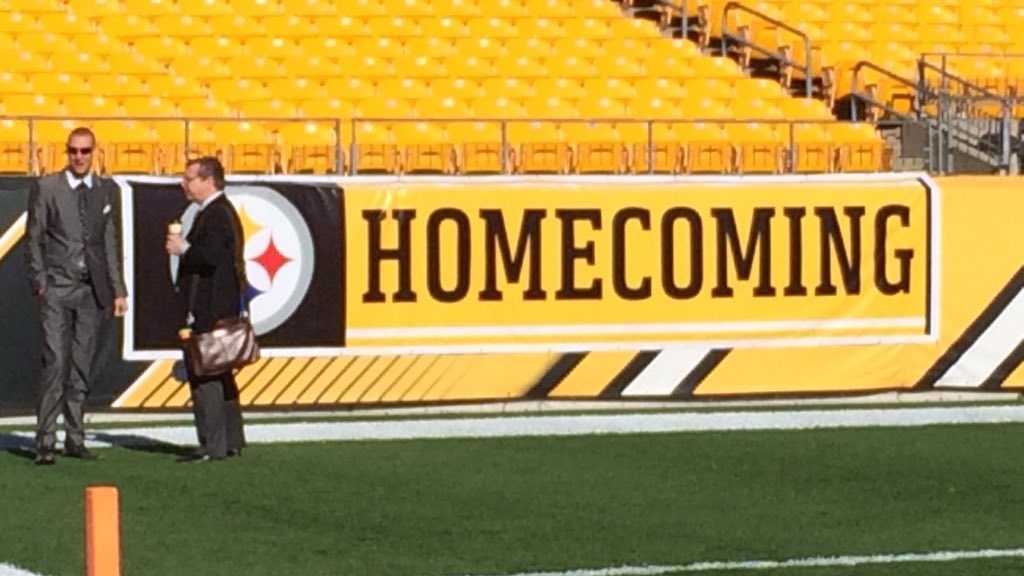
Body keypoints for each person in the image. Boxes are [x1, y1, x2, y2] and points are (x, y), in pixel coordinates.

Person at [25, 127, 128, 465]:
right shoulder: (48, 187)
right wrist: (40, 280)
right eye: (73, 151)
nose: (79, 157)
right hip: (57, 285)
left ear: (94, 152)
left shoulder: (103, 190)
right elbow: (35, 236)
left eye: (85, 151)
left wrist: (118, 289)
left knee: (82, 364)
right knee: (55, 361)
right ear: (66, 152)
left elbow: (109, 244)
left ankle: (75, 436)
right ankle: (45, 440)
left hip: (91, 289)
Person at [165, 156, 246, 462]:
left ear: (208, 180)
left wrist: (183, 248)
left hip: (210, 308)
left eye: (190, 178)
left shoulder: (215, 214)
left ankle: (212, 444)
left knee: (206, 374)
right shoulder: (219, 211)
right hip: (221, 306)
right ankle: (231, 440)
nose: (184, 183)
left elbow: (212, 257)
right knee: (222, 373)